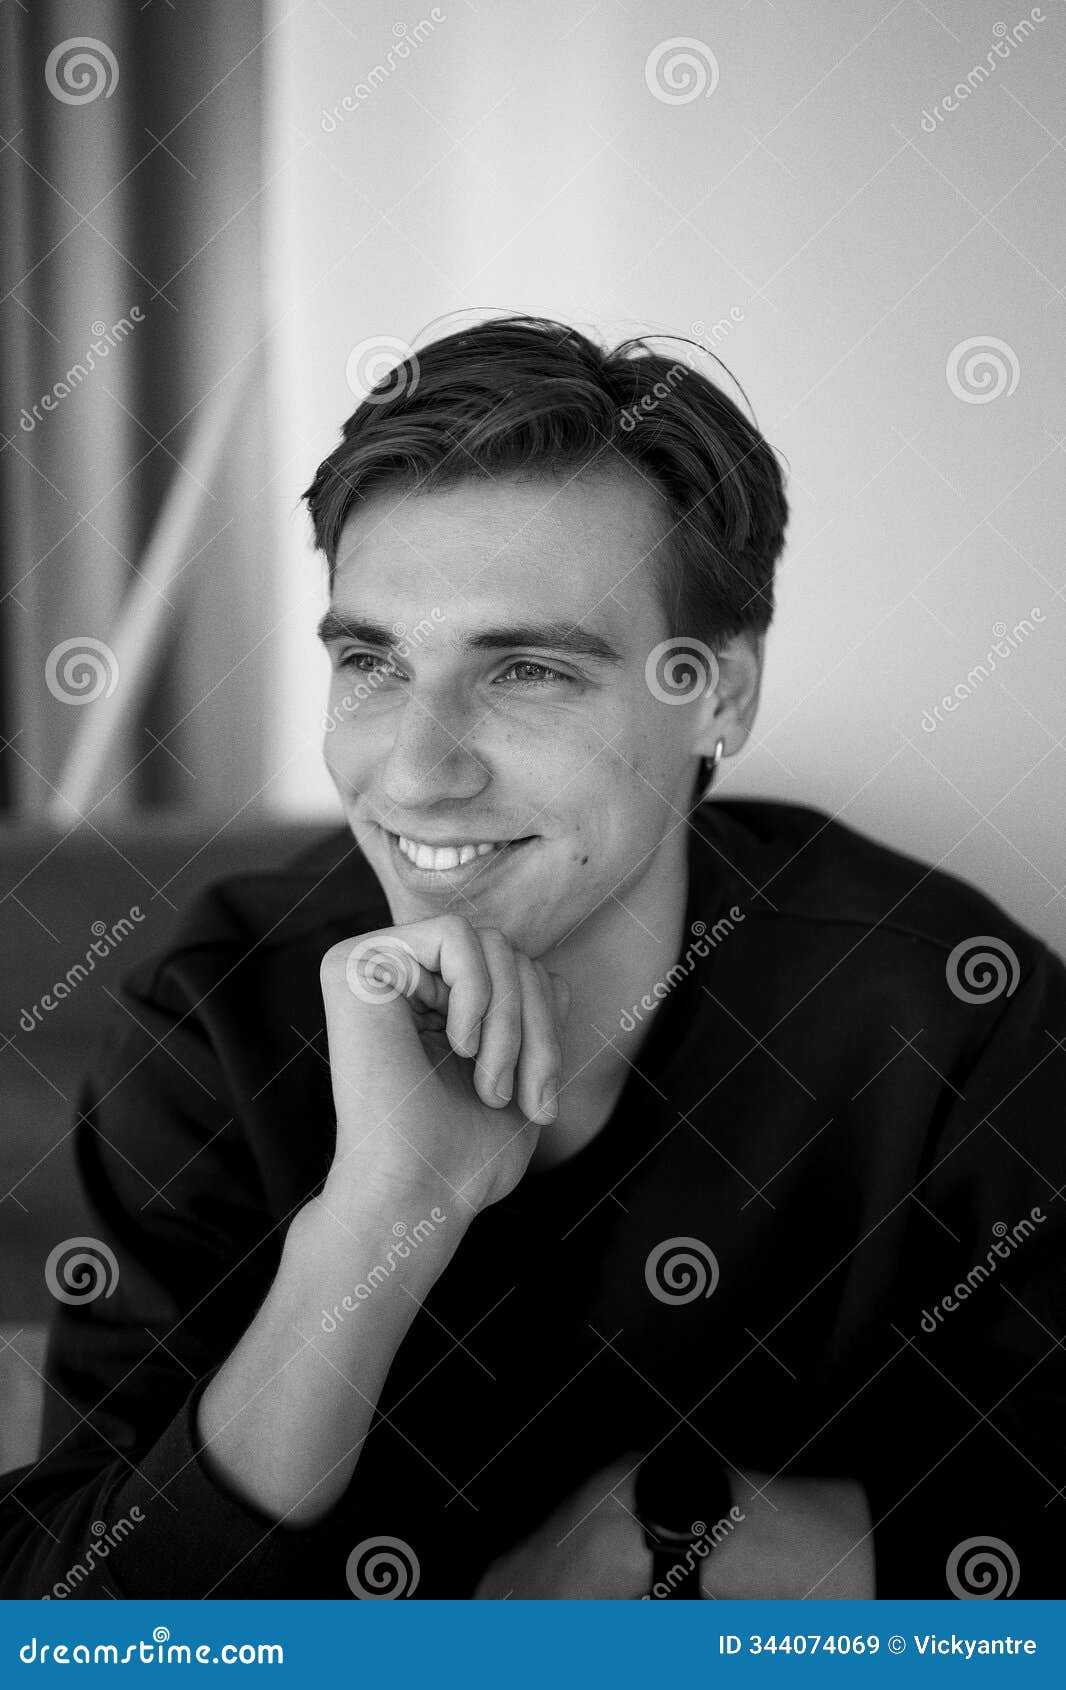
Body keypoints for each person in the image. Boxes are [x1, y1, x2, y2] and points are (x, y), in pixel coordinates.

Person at [2, 315, 1063, 1600]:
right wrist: (376, 1230)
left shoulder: (952, 1012)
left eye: (528, 671)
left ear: (717, 694)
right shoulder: (222, 1008)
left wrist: (730, 1538)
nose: (413, 771)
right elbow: (67, 1615)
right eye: (372, 661)